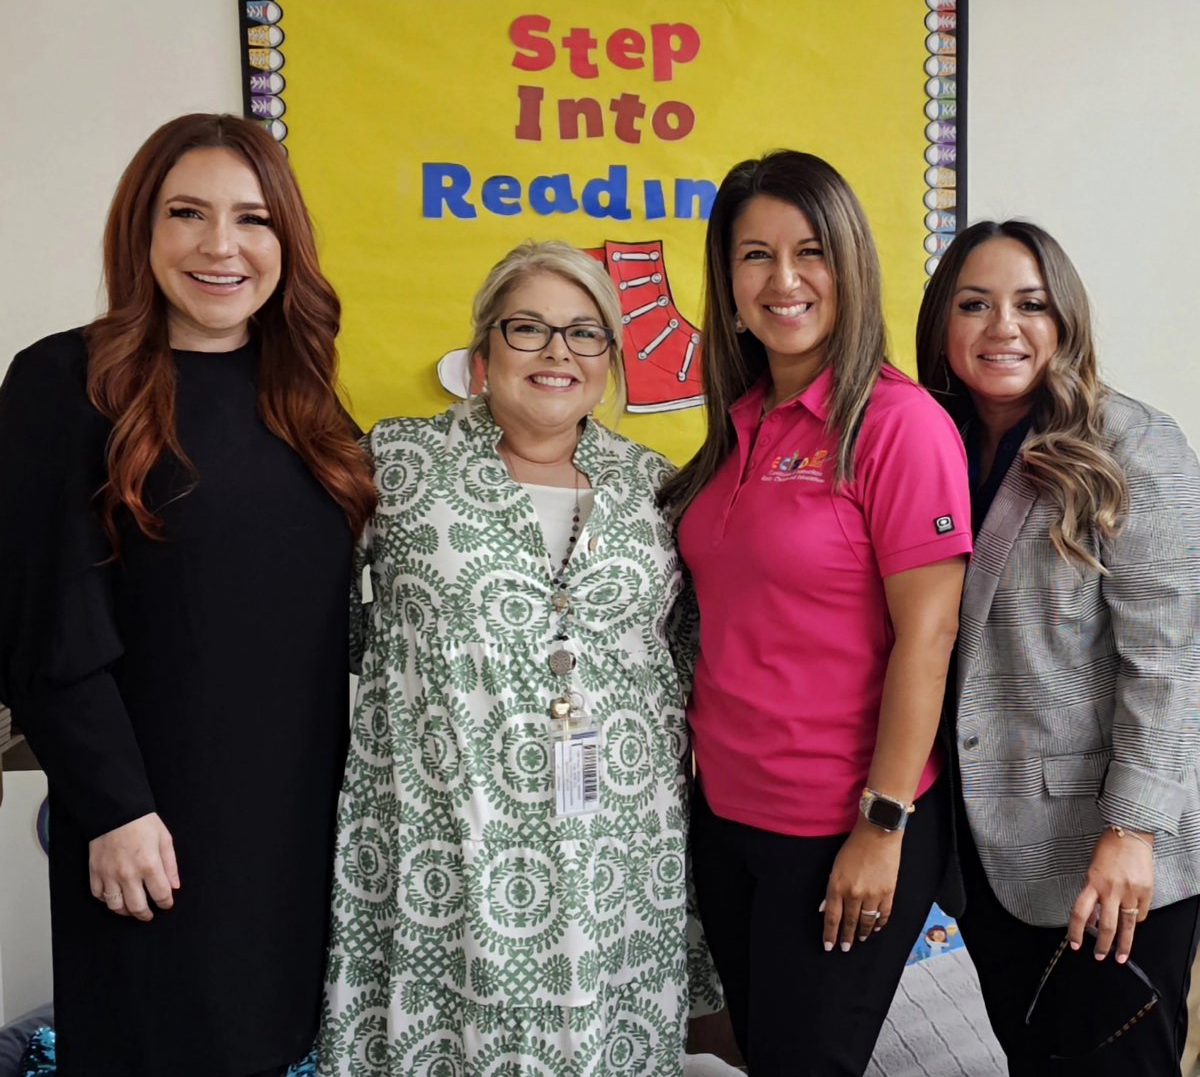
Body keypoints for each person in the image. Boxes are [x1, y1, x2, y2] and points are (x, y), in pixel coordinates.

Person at [0, 113, 376, 1077]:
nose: (221, 245)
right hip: (147, 820)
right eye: (187, 214)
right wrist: (115, 806)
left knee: (271, 1045)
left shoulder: (305, 400)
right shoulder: (64, 380)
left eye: (252, 219)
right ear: (142, 231)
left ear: (285, 241)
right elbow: (47, 622)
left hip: (294, 820)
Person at [318, 241, 716, 1077]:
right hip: (442, 838)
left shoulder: (658, 485)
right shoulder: (394, 463)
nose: (558, 352)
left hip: (616, 844)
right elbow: (319, 622)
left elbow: (689, 649)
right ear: (483, 349)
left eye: (585, 333)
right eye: (529, 328)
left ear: (611, 357)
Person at [657, 150, 973, 1076]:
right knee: (767, 1054)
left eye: (808, 252)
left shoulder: (897, 425)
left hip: (840, 823)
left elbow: (931, 632)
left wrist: (881, 825)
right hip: (728, 819)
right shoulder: (741, 422)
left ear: (850, 264)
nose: (782, 280)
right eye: (754, 255)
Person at [915, 219, 1200, 1075]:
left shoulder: (1134, 444)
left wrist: (1134, 828)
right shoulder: (931, 441)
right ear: (942, 323)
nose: (1004, 326)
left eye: (1030, 304)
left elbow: (1172, 659)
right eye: (976, 304)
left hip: (1105, 853)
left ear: (1065, 319)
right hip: (985, 850)